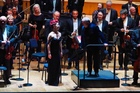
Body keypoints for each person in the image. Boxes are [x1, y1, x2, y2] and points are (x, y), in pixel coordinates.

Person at [0, 15, 18, 84]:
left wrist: (9, 41)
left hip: (7, 49)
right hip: (0, 49)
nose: (2, 22)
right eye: (1, 21)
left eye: (4, 21)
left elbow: (14, 37)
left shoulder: (9, 28)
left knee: (7, 64)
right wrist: (1, 42)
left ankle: (6, 78)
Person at [47, 20, 63, 86]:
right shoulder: (50, 34)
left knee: (57, 66)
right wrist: (49, 53)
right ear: (53, 26)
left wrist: (61, 51)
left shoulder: (59, 34)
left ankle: (56, 81)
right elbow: (48, 45)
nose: (58, 26)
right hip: (52, 52)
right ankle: (51, 81)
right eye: (56, 25)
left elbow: (60, 43)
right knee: (52, 66)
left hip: (57, 52)